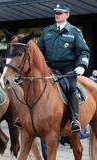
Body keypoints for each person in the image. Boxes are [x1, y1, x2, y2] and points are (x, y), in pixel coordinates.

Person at [37, 3, 90, 133]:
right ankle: (23, 116)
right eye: (56, 13)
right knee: (32, 85)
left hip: (68, 68)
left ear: (67, 15)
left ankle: (74, 119)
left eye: (60, 13)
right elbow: (39, 52)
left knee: (71, 88)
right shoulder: (47, 31)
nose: (57, 15)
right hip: (49, 67)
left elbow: (83, 51)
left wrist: (82, 66)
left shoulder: (74, 32)